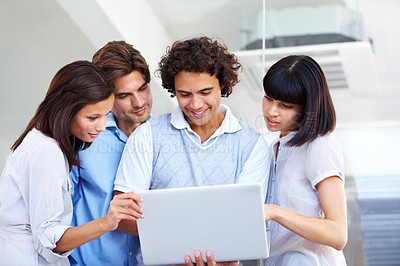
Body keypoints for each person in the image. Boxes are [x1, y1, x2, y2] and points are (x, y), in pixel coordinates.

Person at [113, 36, 270, 265]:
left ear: (222, 86)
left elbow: (246, 219)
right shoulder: (147, 135)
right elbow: (123, 217)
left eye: (205, 92)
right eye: (184, 94)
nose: (195, 105)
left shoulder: (252, 145)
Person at [0, 60, 143, 266]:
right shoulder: (46, 151)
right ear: (66, 109)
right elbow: (49, 240)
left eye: (105, 115)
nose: (102, 127)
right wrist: (106, 223)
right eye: (93, 117)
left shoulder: (40, 141)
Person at [68, 41, 152, 266]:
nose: (139, 102)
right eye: (124, 95)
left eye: (142, 88)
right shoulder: (84, 139)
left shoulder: (163, 138)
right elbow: (56, 217)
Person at [262, 55, 347, 265]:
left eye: (286, 105)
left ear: (306, 108)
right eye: (268, 98)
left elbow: (338, 234)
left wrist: (275, 212)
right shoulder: (276, 147)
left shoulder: (319, 145)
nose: (272, 111)